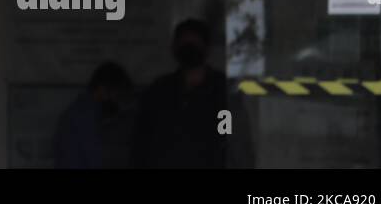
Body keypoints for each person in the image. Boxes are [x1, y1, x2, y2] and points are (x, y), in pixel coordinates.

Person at [131, 17, 254, 169]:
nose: (189, 50)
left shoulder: (222, 92)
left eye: (193, 44)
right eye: (185, 44)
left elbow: (235, 144)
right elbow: (143, 144)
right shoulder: (159, 91)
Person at [53, 61, 134, 169]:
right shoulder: (85, 117)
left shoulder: (76, 112)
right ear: (102, 89)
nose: (117, 101)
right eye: (116, 94)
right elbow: (95, 160)